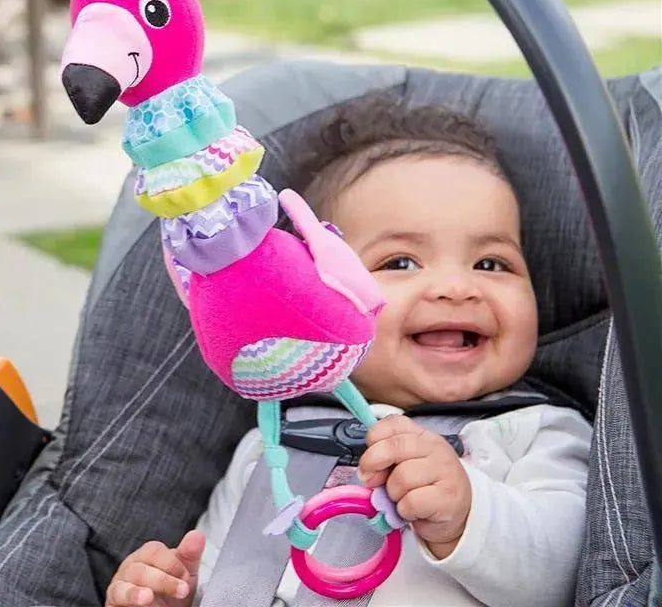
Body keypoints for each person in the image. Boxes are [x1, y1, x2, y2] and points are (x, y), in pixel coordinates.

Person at [104, 92, 593, 607]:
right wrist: (176, 596)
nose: (457, 288)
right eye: (400, 262)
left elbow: (568, 576)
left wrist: (467, 513)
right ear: (315, 290)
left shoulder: (537, 433)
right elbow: (226, 579)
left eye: (491, 264)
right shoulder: (273, 447)